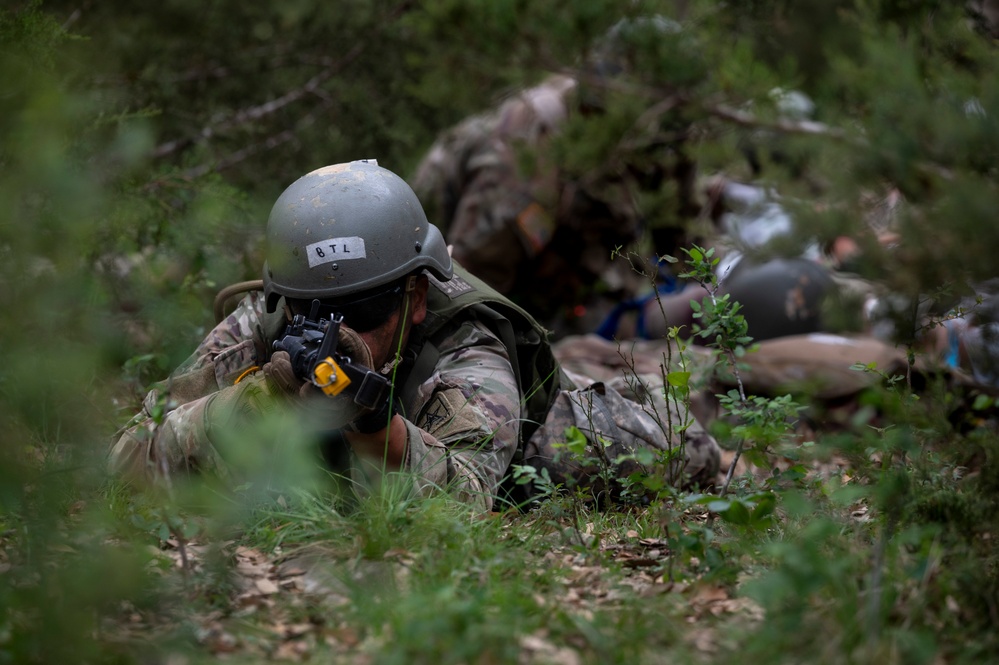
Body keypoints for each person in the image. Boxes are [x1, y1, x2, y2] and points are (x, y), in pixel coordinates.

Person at [110, 160, 720, 512]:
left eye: (368, 308)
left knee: (682, 448)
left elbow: (468, 501)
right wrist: (257, 398)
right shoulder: (265, 324)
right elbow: (128, 456)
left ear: (417, 296)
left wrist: (380, 430)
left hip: (530, 435)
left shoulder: (467, 347)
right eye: (317, 311)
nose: (340, 332)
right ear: (287, 299)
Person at [411, 20, 701, 337]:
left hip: (562, 283)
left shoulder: (639, 137)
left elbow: (680, 232)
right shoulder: (533, 159)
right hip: (464, 279)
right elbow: (463, 290)